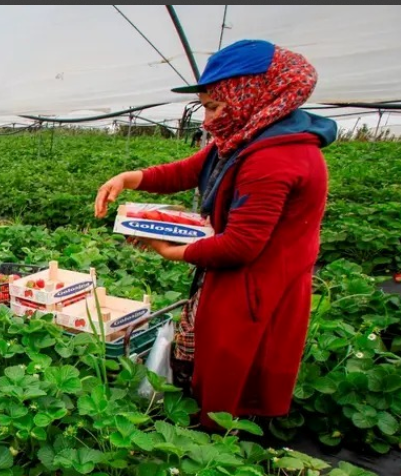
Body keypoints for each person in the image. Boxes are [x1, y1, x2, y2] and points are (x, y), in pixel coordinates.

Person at [93, 39, 337, 428]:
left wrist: (169, 250)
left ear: (250, 96)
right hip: (235, 279)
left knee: (233, 375)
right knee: (209, 359)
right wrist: (129, 178)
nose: (207, 121)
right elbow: (189, 170)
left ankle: (219, 442)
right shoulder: (246, 137)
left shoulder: (275, 157)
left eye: (214, 106)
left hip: (257, 286)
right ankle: (204, 425)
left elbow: (240, 245)